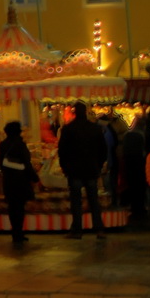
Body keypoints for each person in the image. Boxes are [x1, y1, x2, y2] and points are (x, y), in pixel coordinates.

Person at [56, 102, 107, 239]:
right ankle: (99, 229)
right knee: (93, 200)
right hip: (91, 168)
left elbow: (62, 151)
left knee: (76, 201)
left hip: (74, 170)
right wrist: (99, 165)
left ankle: (77, 230)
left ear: (74, 112)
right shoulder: (95, 129)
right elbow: (103, 149)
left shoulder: (68, 129)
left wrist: (65, 167)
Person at [0, 121, 37, 245]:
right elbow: (27, 162)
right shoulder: (20, 144)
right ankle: (19, 232)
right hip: (20, 179)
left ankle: (15, 232)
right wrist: (34, 177)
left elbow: (1, 163)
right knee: (19, 207)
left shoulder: (3, 144)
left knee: (12, 207)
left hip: (8, 180)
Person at [121, 114, 148, 226]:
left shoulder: (127, 135)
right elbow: (144, 151)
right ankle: (140, 208)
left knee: (132, 186)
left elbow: (124, 151)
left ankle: (133, 207)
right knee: (140, 188)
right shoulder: (142, 135)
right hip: (140, 165)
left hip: (129, 165)